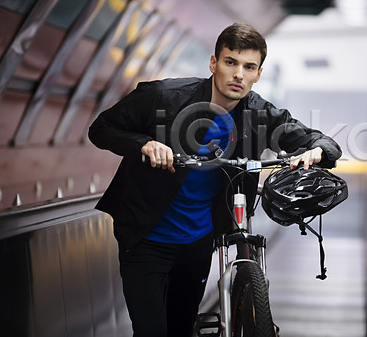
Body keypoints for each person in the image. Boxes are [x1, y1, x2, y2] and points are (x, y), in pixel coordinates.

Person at [88, 22, 342, 337]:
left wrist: (315, 152)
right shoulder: (163, 97)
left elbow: (321, 140)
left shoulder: (259, 114)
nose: (238, 74)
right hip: (146, 236)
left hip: (199, 241)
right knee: (151, 330)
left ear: (258, 74)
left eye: (249, 67)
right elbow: (101, 128)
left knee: (181, 327)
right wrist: (144, 144)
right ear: (214, 63)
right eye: (230, 62)